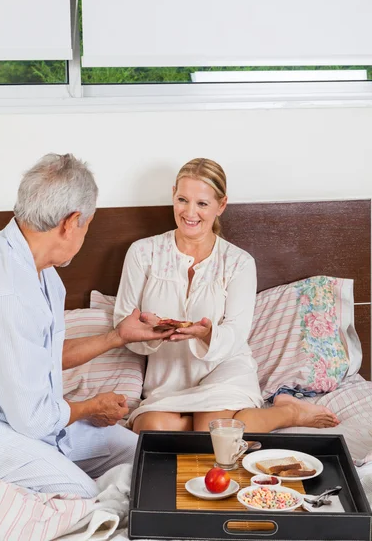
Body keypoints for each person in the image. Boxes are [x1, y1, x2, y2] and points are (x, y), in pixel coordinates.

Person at [0, 153, 171, 499]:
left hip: (28, 415)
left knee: (142, 453)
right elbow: (32, 419)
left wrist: (117, 336)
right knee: (81, 494)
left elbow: (42, 357)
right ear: (71, 221)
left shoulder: (39, 269)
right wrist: (91, 407)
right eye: (87, 226)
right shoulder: (5, 291)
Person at [114, 158, 340, 434]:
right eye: (183, 199)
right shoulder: (142, 253)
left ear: (221, 205)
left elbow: (236, 333)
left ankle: (288, 412)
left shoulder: (238, 262)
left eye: (202, 203)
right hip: (167, 379)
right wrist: (149, 332)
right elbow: (123, 326)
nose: (189, 212)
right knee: (151, 429)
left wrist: (206, 334)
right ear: (173, 194)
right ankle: (247, 419)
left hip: (224, 370)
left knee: (214, 431)